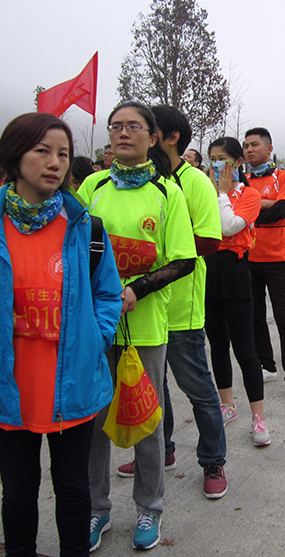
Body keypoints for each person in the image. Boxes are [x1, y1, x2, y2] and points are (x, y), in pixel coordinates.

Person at [0, 113, 123, 557]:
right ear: (12, 157)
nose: (54, 162)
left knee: (74, 489)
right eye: (42, 151)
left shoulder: (87, 229)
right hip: (7, 385)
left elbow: (108, 294)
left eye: (62, 153)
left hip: (73, 382)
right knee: (18, 495)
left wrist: (94, 339)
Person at [79, 101, 197, 552]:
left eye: (134, 126)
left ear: (152, 137)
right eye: (116, 127)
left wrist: (137, 290)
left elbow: (184, 259)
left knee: (145, 420)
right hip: (92, 325)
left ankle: (150, 508)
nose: (123, 133)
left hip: (144, 326)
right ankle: (95, 509)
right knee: (91, 419)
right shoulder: (91, 186)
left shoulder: (168, 193)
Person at [120, 104, 227, 499]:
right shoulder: (137, 182)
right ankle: (159, 452)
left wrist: (159, 253)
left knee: (197, 388)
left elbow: (210, 240)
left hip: (181, 306)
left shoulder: (193, 181)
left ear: (168, 137)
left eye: (148, 130)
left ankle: (213, 459)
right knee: (152, 388)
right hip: (144, 309)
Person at [205, 137, 272, 441]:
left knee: (245, 349)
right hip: (208, 272)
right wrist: (214, 193)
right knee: (217, 345)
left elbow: (229, 226)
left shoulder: (250, 195)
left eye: (223, 159)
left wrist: (220, 194)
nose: (217, 164)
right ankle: (226, 404)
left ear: (237, 163)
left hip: (235, 271)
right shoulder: (204, 192)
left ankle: (258, 418)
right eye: (213, 158)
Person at [244, 128, 285, 397]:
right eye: (245, 146)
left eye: (254, 144)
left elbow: (282, 211)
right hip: (247, 257)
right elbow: (232, 212)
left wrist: (250, 215)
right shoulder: (242, 180)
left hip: (278, 258)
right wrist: (263, 205)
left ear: (269, 149)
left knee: (284, 318)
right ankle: (267, 366)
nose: (249, 150)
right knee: (255, 317)